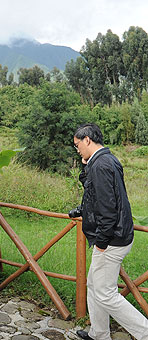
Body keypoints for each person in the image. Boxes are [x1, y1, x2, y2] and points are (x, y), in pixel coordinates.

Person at [70, 123, 148, 340]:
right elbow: (94, 194)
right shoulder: (106, 160)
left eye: (77, 145)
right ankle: (99, 333)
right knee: (95, 286)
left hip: (112, 239)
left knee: (105, 293)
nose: (77, 150)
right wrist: (85, 168)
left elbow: (108, 208)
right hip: (114, 235)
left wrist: (102, 241)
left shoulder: (101, 165)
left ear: (87, 140)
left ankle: (145, 333)